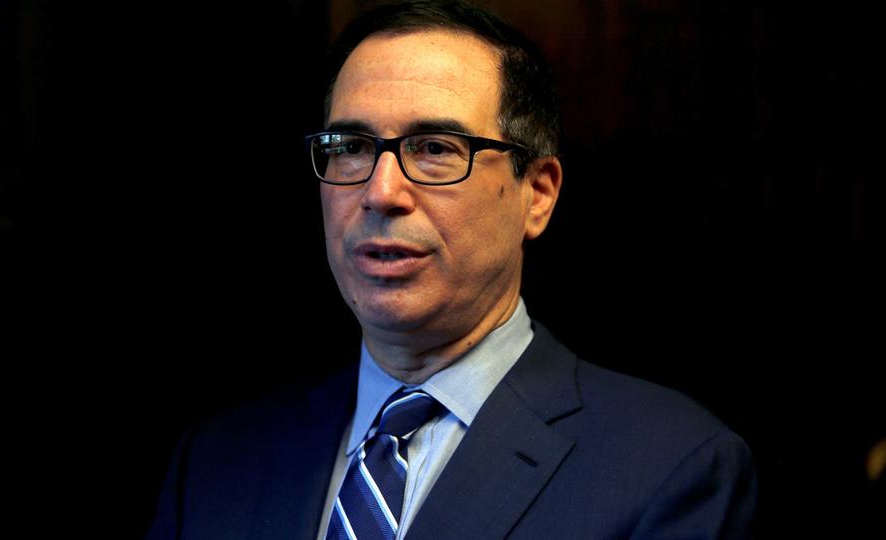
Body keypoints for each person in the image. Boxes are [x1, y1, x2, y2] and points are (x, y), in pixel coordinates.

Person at [145, 1, 757, 538]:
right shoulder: (217, 459)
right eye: (351, 148)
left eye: (435, 149)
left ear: (537, 194)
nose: (382, 192)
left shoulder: (671, 467)